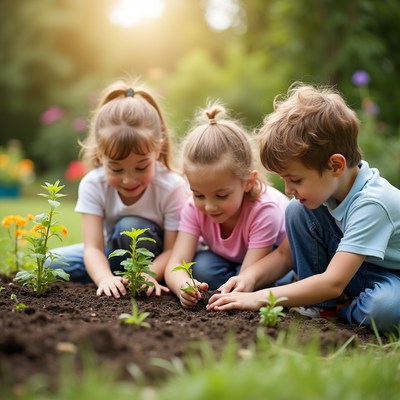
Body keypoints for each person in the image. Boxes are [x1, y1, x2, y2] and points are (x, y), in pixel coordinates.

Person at [207, 83, 400, 333]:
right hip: (353, 271)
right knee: (296, 210)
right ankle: (320, 306)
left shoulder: (373, 203)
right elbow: (285, 255)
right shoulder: (327, 192)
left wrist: (260, 297)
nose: (288, 190)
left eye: (295, 180)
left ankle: (344, 309)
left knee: (383, 309)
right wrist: (249, 278)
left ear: (335, 166)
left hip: (390, 276)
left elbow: (332, 282)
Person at [49, 78, 188, 299]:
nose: (129, 180)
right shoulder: (93, 184)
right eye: (116, 169)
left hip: (159, 259)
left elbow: (172, 249)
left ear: (157, 150)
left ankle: (142, 279)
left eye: (141, 167)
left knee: (129, 226)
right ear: (100, 154)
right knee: (50, 262)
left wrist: (149, 273)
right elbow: (93, 247)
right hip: (113, 252)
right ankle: (116, 277)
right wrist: (103, 278)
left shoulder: (171, 187)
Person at [164, 102, 290, 308]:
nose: (210, 206)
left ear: (248, 182)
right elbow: (176, 263)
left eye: (221, 195)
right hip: (229, 258)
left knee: (254, 282)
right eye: (199, 195)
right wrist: (183, 286)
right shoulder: (192, 208)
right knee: (202, 268)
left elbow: (248, 275)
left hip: (266, 261)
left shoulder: (264, 211)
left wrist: (235, 292)